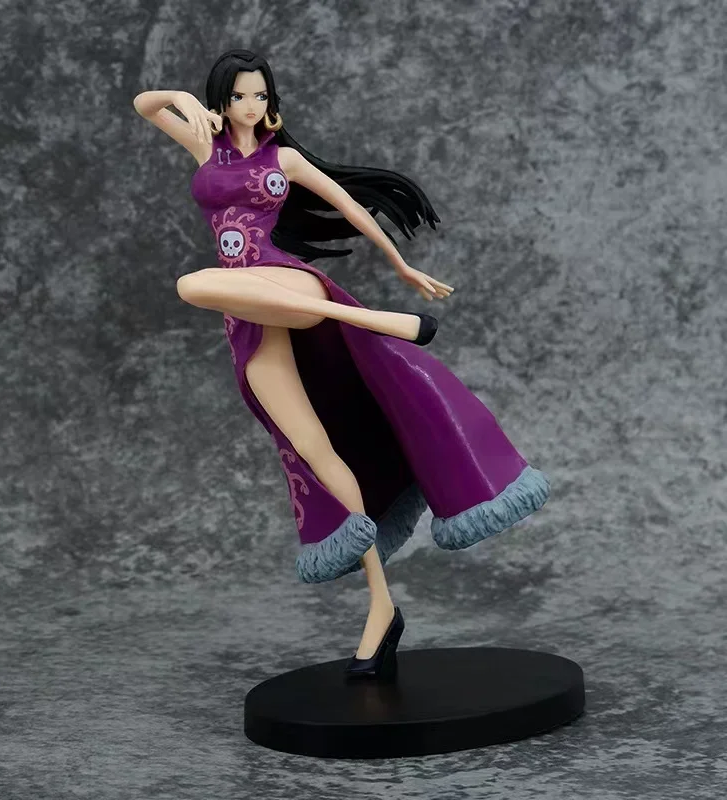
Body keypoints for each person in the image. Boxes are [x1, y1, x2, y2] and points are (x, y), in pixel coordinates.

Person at [133, 49, 550, 680]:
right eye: (239, 96)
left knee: (192, 283)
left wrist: (402, 266)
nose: (251, 106)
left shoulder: (283, 160)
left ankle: (374, 317)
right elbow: (145, 105)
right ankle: (381, 605)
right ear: (223, 99)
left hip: (289, 284)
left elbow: (352, 207)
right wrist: (185, 101)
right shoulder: (204, 147)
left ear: (271, 102)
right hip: (248, 315)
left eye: (260, 95)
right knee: (311, 447)